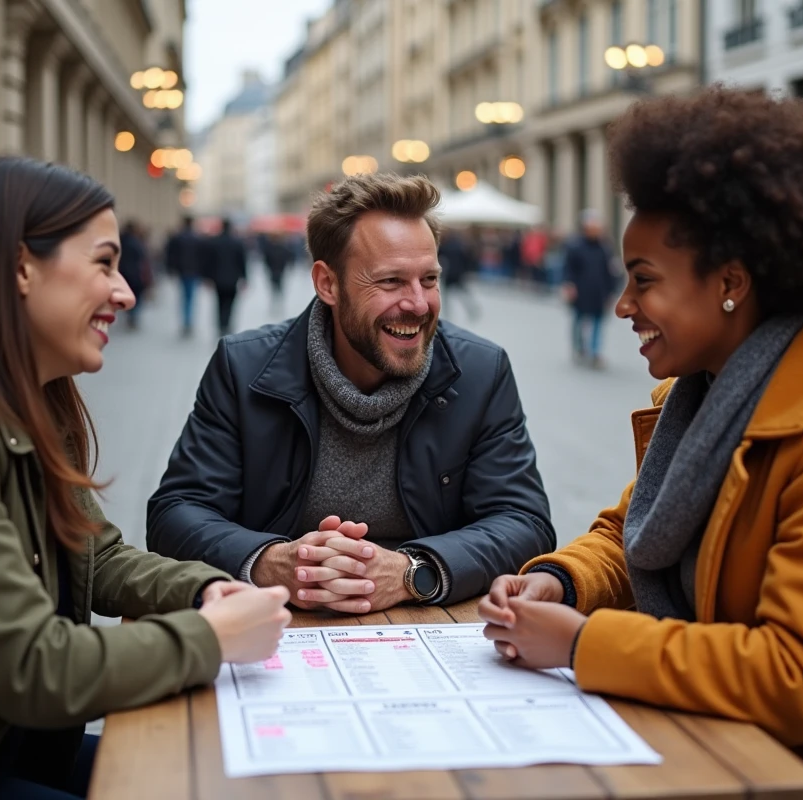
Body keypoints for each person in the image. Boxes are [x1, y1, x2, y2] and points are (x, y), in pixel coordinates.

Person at [479, 88, 803, 800]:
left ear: (730, 283)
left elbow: (801, 679)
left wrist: (578, 643)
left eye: (644, 282)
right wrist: (564, 581)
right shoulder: (706, 397)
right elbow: (634, 534)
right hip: (738, 753)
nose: (624, 306)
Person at [0, 157, 292, 800]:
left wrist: (213, 587)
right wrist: (209, 639)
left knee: (227, 776)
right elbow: (33, 665)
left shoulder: (27, 396)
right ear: (20, 267)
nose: (126, 291)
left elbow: (97, 554)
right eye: (104, 263)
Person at [147, 173, 554, 614]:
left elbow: (524, 522)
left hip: (430, 623)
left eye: (430, 279)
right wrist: (272, 562)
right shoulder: (243, 368)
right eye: (392, 281)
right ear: (328, 284)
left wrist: (412, 570)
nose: (419, 304)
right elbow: (175, 513)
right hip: (275, 625)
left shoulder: (480, 371)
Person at [562, 209, 617, 368]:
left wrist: (611, 292)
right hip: (580, 291)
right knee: (579, 321)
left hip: (599, 292)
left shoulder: (605, 247)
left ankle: (595, 353)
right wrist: (569, 285)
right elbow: (568, 269)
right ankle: (579, 348)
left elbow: (610, 271)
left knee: (598, 323)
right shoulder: (575, 246)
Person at [164, 215, 209, 338]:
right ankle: (188, 321)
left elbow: (170, 254)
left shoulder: (178, 237)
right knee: (191, 297)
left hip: (182, 271)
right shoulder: (197, 238)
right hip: (194, 271)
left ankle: (186, 321)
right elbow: (203, 258)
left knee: (184, 296)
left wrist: (171, 269)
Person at [208, 217, 248, 338]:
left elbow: (210, 262)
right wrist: (245, 278)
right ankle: (227, 324)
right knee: (230, 303)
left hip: (218, 279)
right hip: (232, 279)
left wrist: (208, 277)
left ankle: (221, 325)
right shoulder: (236, 242)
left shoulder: (215, 242)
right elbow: (242, 262)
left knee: (219, 303)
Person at [118, 219, 148, 330]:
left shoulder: (121, 242)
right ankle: (133, 315)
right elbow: (143, 259)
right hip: (135, 273)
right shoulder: (137, 242)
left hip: (123, 273)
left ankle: (130, 315)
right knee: (136, 296)